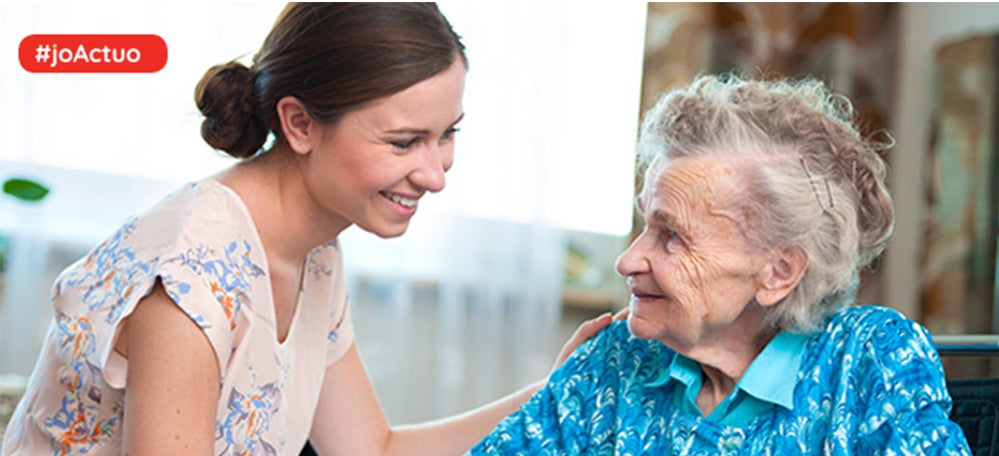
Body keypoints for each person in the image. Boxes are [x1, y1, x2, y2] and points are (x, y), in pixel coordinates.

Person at [1, 3, 613, 455]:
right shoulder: (190, 278)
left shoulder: (313, 252)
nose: (435, 174)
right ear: (298, 124)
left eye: (447, 134)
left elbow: (374, 450)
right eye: (404, 142)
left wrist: (559, 393)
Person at [470, 74, 973, 455]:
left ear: (779, 272)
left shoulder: (868, 358)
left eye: (672, 237)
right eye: (646, 225)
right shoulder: (618, 358)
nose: (628, 261)